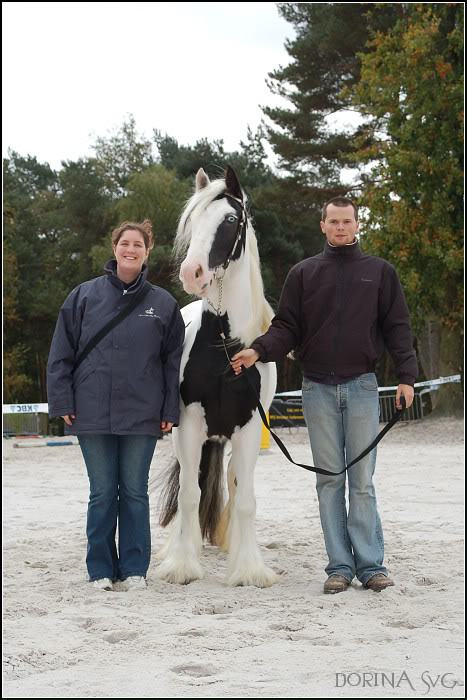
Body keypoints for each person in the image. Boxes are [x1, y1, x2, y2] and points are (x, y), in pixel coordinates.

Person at [231, 198, 418, 594]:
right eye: (333, 221)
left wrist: (407, 377)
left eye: (346, 221)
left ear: (356, 224)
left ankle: (371, 567)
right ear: (323, 226)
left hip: (363, 387)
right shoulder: (303, 274)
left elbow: (398, 327)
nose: (340, 227)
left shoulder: (380, 273)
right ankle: (339, 567)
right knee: (330, 481)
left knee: (362, 481)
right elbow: (286, 328)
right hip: (316, 389)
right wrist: (258, 350)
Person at [47, 219, 185, 591]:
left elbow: (172, 364)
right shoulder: (82, 296)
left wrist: (170, 411)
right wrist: (62, 400)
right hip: (89, 411)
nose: (130, 250)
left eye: (137, 245)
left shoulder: (164, 304)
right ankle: (101, 570)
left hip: (143, 413)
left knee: (136, 491)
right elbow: (61, 353)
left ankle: (136, 569)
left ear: (147, 251)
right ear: (115, 248)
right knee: (103, 491)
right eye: (125, 243)